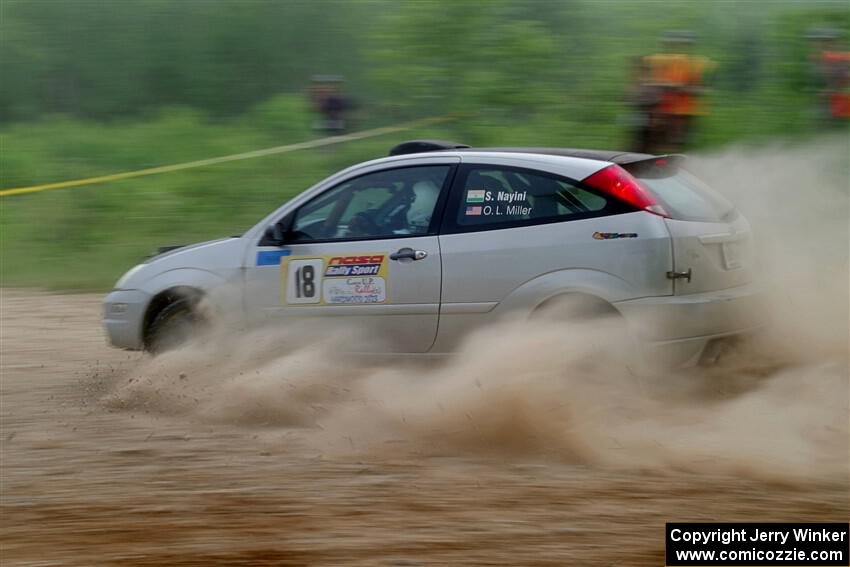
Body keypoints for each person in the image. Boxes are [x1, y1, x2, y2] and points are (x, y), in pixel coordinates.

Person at [642, 31, 714, 152]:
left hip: (683, 111)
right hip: (659, 108)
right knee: (649, 135)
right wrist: (666, 85)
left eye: (683, 45)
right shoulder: (656, 61)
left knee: (677, 140)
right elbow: (644, 80)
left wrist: (684, 88)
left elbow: (703, 87)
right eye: (674, 44)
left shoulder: (696, 63)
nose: (678, 49)